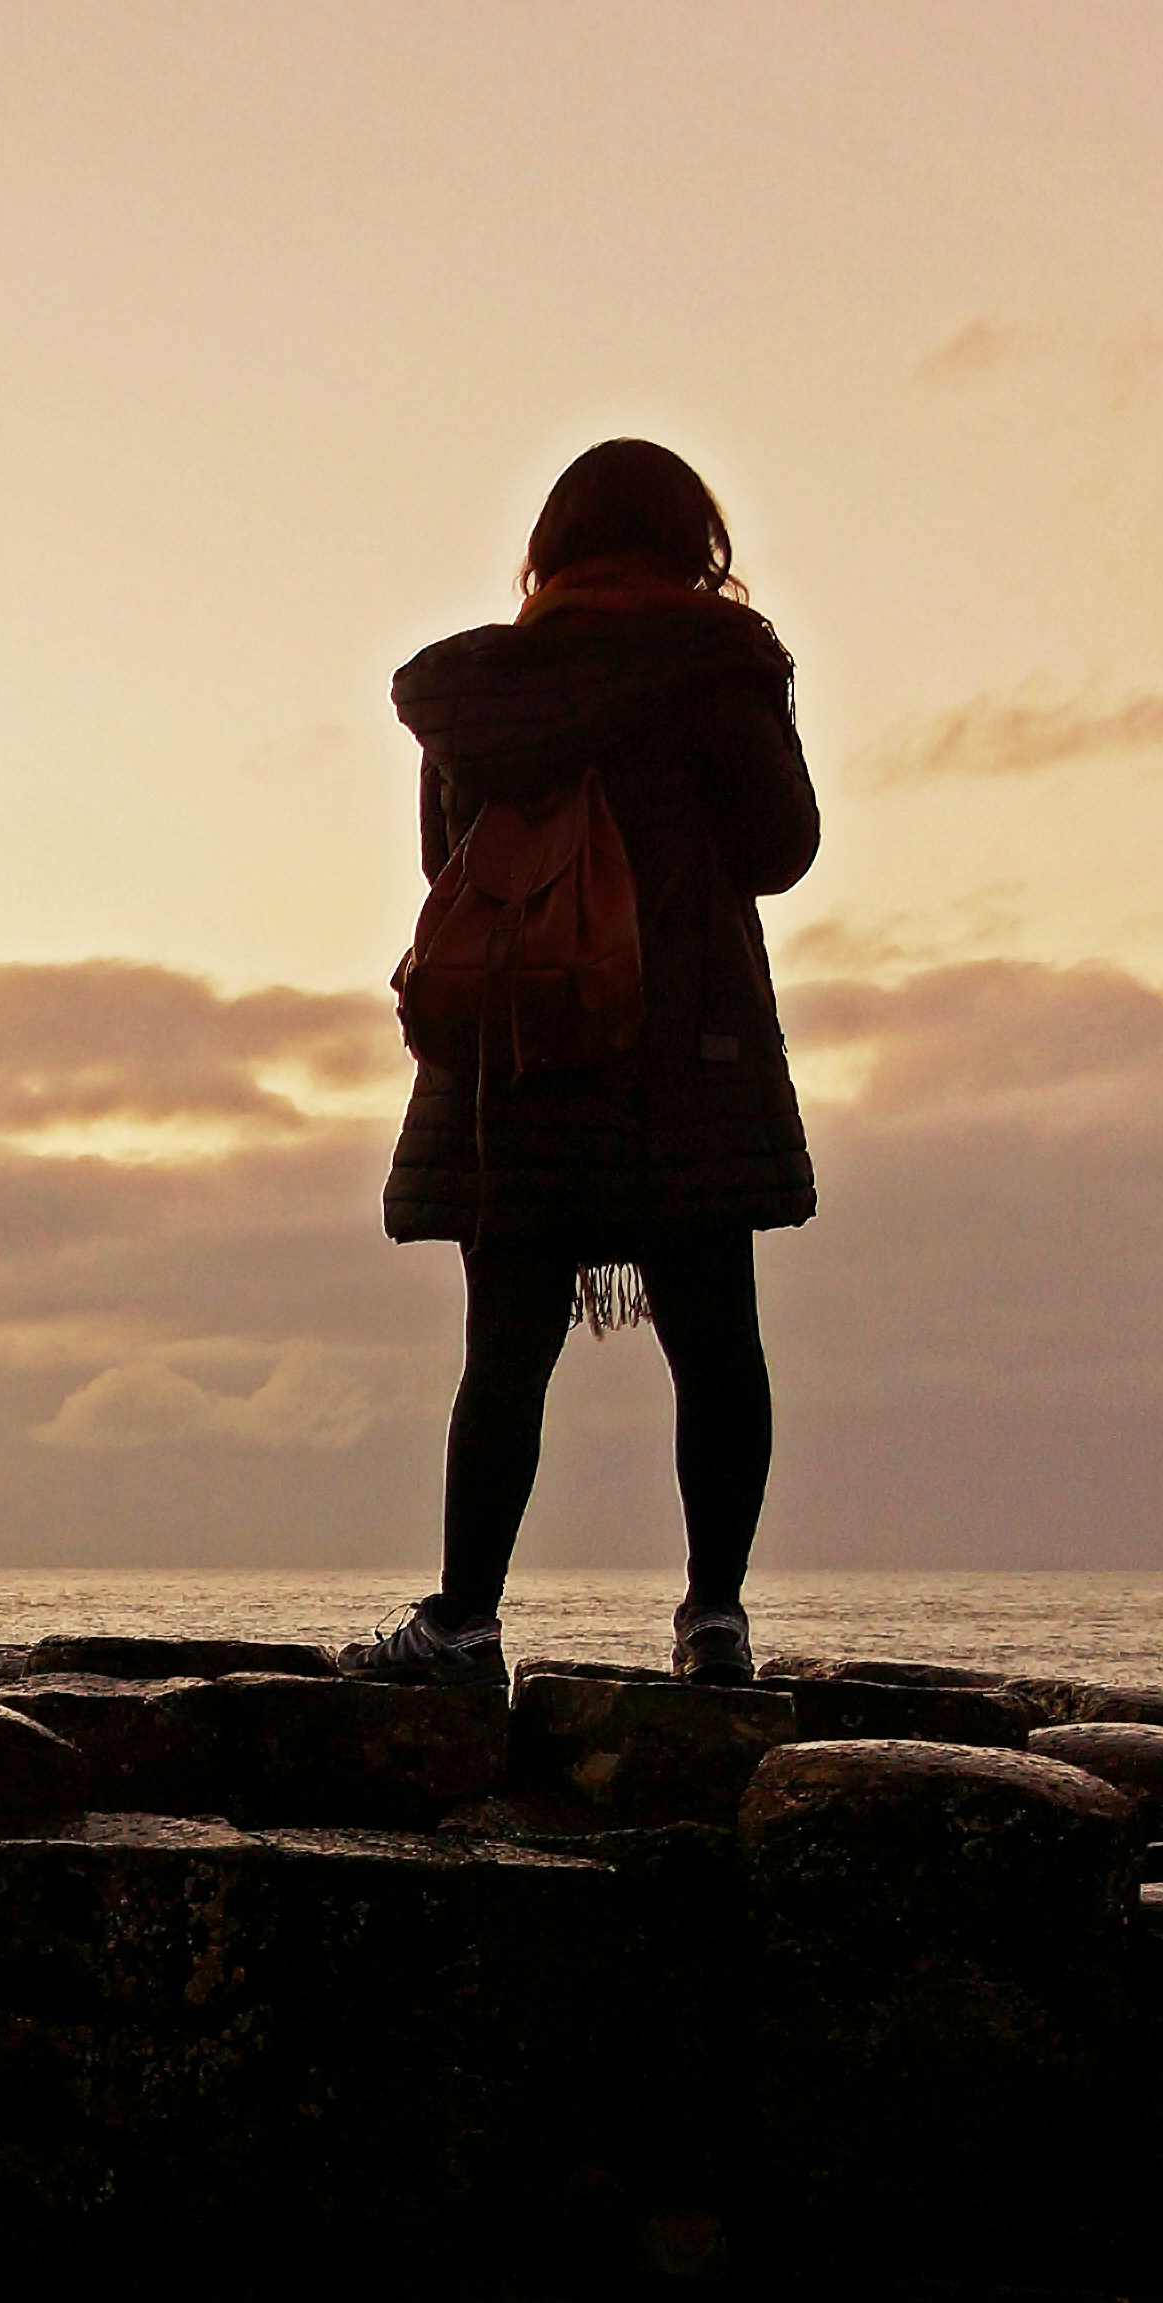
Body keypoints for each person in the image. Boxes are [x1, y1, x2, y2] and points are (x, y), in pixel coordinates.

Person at [343, 438, 820, 1692]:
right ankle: (714, 1620)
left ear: (548, 547)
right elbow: (782, 849)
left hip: (524, 1051)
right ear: (692, 542)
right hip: (689, 1051)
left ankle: (464, 1624)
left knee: (504, 1349)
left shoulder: (482, 696)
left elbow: (449, 861)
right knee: (718, 1343)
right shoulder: (724, 669)